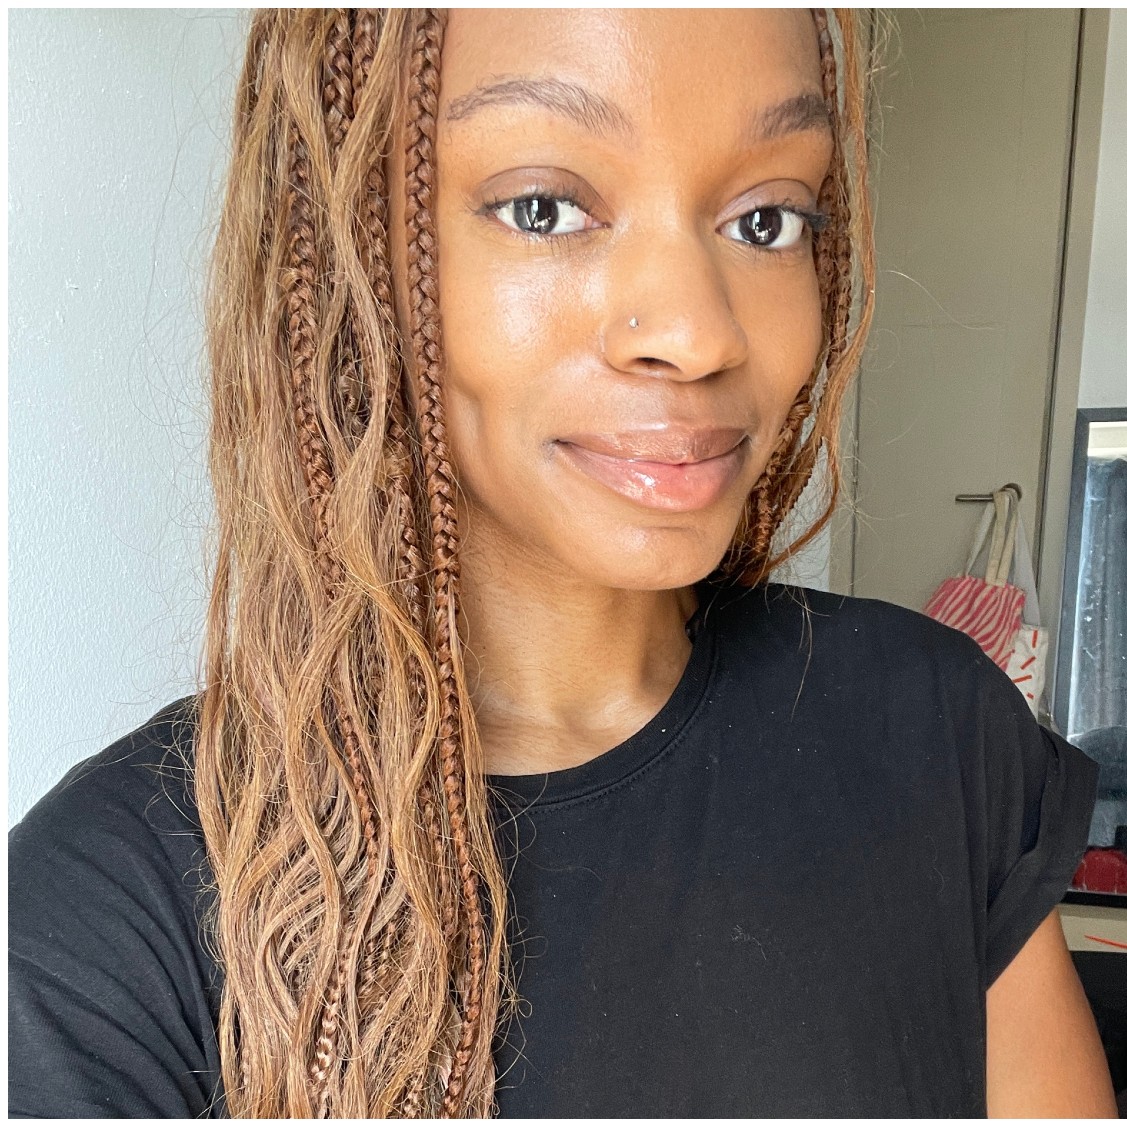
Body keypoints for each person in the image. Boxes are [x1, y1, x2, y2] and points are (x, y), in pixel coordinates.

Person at [8, 8, 1115, 1119]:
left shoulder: (934, 732)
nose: (695, 331)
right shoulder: (108, 919)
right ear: (343, 249)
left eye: (767, 218)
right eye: (544, 208)